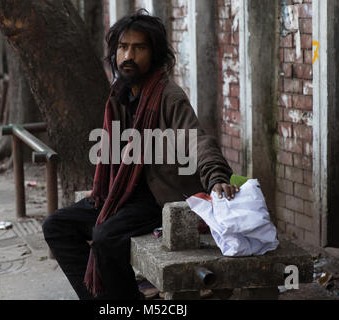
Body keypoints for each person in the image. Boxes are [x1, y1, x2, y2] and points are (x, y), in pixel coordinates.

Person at [42, 9, 239, 300]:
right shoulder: (119, 95)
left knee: (106, 237)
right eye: (123, 47)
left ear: (154, 54)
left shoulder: (168, 96)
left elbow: (197, 139)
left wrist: (216, 177)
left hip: (157, 197)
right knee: (56, 226)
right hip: (121, 194)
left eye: (139, 47)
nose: (128, 55)